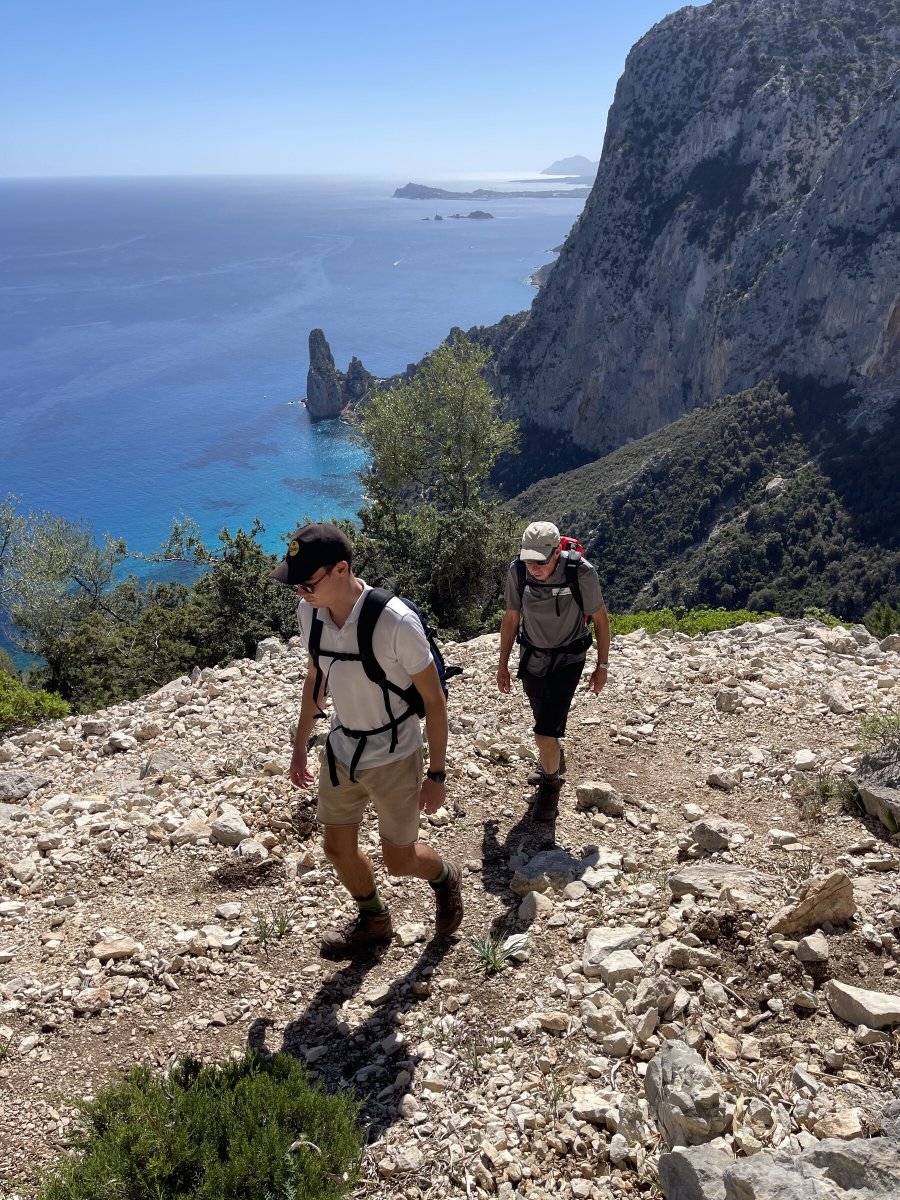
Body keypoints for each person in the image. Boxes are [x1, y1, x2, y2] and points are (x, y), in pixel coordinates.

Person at [271, 522, 463, 956]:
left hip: (395, 754)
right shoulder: (310, 614)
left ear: (341, 569)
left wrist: (437, 774)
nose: (300, 593)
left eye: (307, 583)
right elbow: (316, 678)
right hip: (341, 751)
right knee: (336, 848)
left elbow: (434, 701)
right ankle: (374, 920)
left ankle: (445, 876)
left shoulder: (395, 622)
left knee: (401, 860)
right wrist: (301, 744)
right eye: (294, 584)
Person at [496, 521, 610, 821]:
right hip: (532, 658)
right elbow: (511, 618)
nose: (533, 567)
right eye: (528, 559)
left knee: (543, 734)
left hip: (568, 660)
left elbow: (600, 619)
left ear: (557, 552)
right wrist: (502, 663)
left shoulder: (581, 573)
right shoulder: (517, 572)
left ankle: (550, 789)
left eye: (541, 561)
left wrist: (602, 666)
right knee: (542, 721)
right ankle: (553, 759)